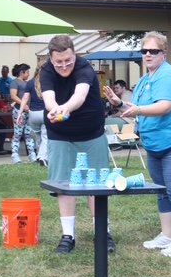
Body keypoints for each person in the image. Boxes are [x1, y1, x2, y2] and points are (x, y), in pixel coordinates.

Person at [104, 31, 171, 258]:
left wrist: (137, 109)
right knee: (161, 189)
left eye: (153, 51)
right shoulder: (145, 79)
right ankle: (168, 235)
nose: (148, 55)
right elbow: (137, 108)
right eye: (144, 51)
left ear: (164, 53)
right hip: (157, 144)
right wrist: (119, 103)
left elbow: (165, 106)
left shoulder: (167, 76)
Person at [40, 35, 115, 254]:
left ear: (75, 54)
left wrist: (65, 109)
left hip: (91, 133)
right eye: (59, 62)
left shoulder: (85, 68)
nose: (64, 66)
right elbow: (48, 98)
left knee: (97, 184)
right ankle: (67, 236)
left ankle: (102, 233)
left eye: (68, 61)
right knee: (64, 185)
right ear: (51, 60)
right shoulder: (46, 71)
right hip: (60, 134)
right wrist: (54, 109)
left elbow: (79, 96)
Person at [10, 63, 36, 163]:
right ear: (22, 72)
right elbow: (13, 96)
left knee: (29, 133)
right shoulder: (15, 82)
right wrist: (23, 104)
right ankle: (15, 154)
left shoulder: (28, 83)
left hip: (28, 111)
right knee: (18, 133)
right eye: (27, 72)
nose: (29, 74)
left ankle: (32, 154)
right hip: (18, 111)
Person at [24, 64, 48, 167]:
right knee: (45, 137)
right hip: (44, 112)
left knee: (37, 137)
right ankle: (42, 157)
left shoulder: (29, 83)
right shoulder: (47, 82)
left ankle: (39, 155)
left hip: (33, 113)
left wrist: (20, 112)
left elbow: (25, 99)